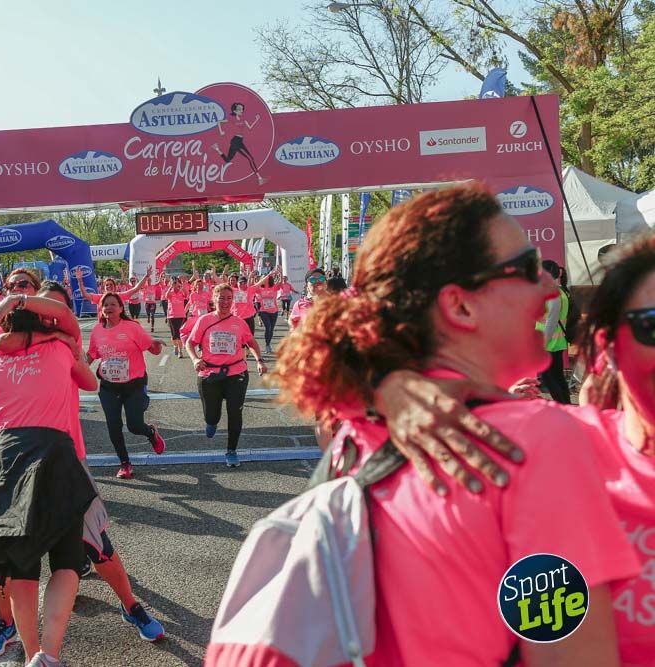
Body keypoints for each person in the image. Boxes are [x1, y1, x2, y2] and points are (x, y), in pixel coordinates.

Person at [262, 184, 638, 666]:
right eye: (527, 269)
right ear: (459, 305)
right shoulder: (533, 440)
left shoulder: (354, 424)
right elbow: (568, 655)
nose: (549, 285)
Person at [0, 287, 96, 667]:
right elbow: (90, 381)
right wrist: (58, 336)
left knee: (20, 567)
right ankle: (49, 654)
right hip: (55, 453)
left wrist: (17, 314)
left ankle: (29, 653)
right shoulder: (58, 349)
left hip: (7, 458)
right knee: (67, 560)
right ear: (43, 323)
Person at [185, 283, 267, 468]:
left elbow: (252, 343)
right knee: (212, 415)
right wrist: (195, 360)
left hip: (236, 373)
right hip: (209, 374)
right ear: (213, 299)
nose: (225, 302)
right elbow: (190, 343)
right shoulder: (204, 320)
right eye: (221, 298)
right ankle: (211, 422)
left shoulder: (239, 323)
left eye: (229, 298)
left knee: (235, 413)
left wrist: (259, 360)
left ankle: (231, 450)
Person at [86, 292, 166, 479]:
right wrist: (76, 369)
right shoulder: (97, 330)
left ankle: (151, 432)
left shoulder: (131, 327)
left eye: (113, 304)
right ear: (101, 309)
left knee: (134, 425)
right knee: (113, 426)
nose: (109, 307)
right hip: (109, 386)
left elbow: (152, 349)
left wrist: (156, 344)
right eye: (105, 305)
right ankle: (125, 463)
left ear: (121, 308)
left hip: (134, 385)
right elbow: (91, 355)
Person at [536, 259, 572, 403]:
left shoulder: (554, 295)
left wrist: (542, 346)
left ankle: (562, 406)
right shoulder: (559, 292)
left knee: (549, 379)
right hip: (556, 343)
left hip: (549, 344)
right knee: (557, 377)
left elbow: (551, 321)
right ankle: (566, 406)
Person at [255, 269, 282, 354]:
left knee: (271, 329)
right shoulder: (259, 289)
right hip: (264, 311)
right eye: (262, 279)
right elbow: (253, 286)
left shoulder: (273, 287)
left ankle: (269, 343)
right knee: (268, 327)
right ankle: (267, 345)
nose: (263, 280)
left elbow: (280, 282)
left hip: (274, 311)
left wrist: (280, 273)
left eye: (265, 278)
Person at [164, 276, 188, 358]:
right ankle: (175, 346)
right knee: (174, 335)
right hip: (171, 316)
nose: (175, 284)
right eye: (174, 282)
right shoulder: (170, 292)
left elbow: (186, 294)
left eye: (176, 282)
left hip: (181, 315)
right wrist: (171, 286)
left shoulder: (181, 292)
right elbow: (166, 296)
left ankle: (180, 351)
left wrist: (180, 285)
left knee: (179, 334)